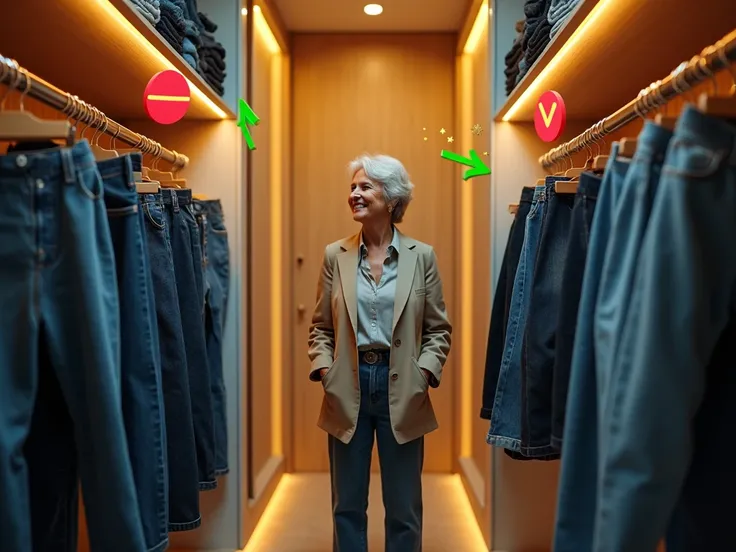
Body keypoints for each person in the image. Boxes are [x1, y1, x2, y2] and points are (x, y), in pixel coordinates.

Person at [307, 153, 452, 552]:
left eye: (364, 186)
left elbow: (438, 329)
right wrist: (325, 371)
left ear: (391, 198)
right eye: (352, 187)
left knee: (404, 508)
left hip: (403, 387)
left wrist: (423, 374)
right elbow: (320, 326)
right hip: (348, 388)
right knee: (347, 507)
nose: (354, 193)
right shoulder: (334, 255)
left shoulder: (421, 256)